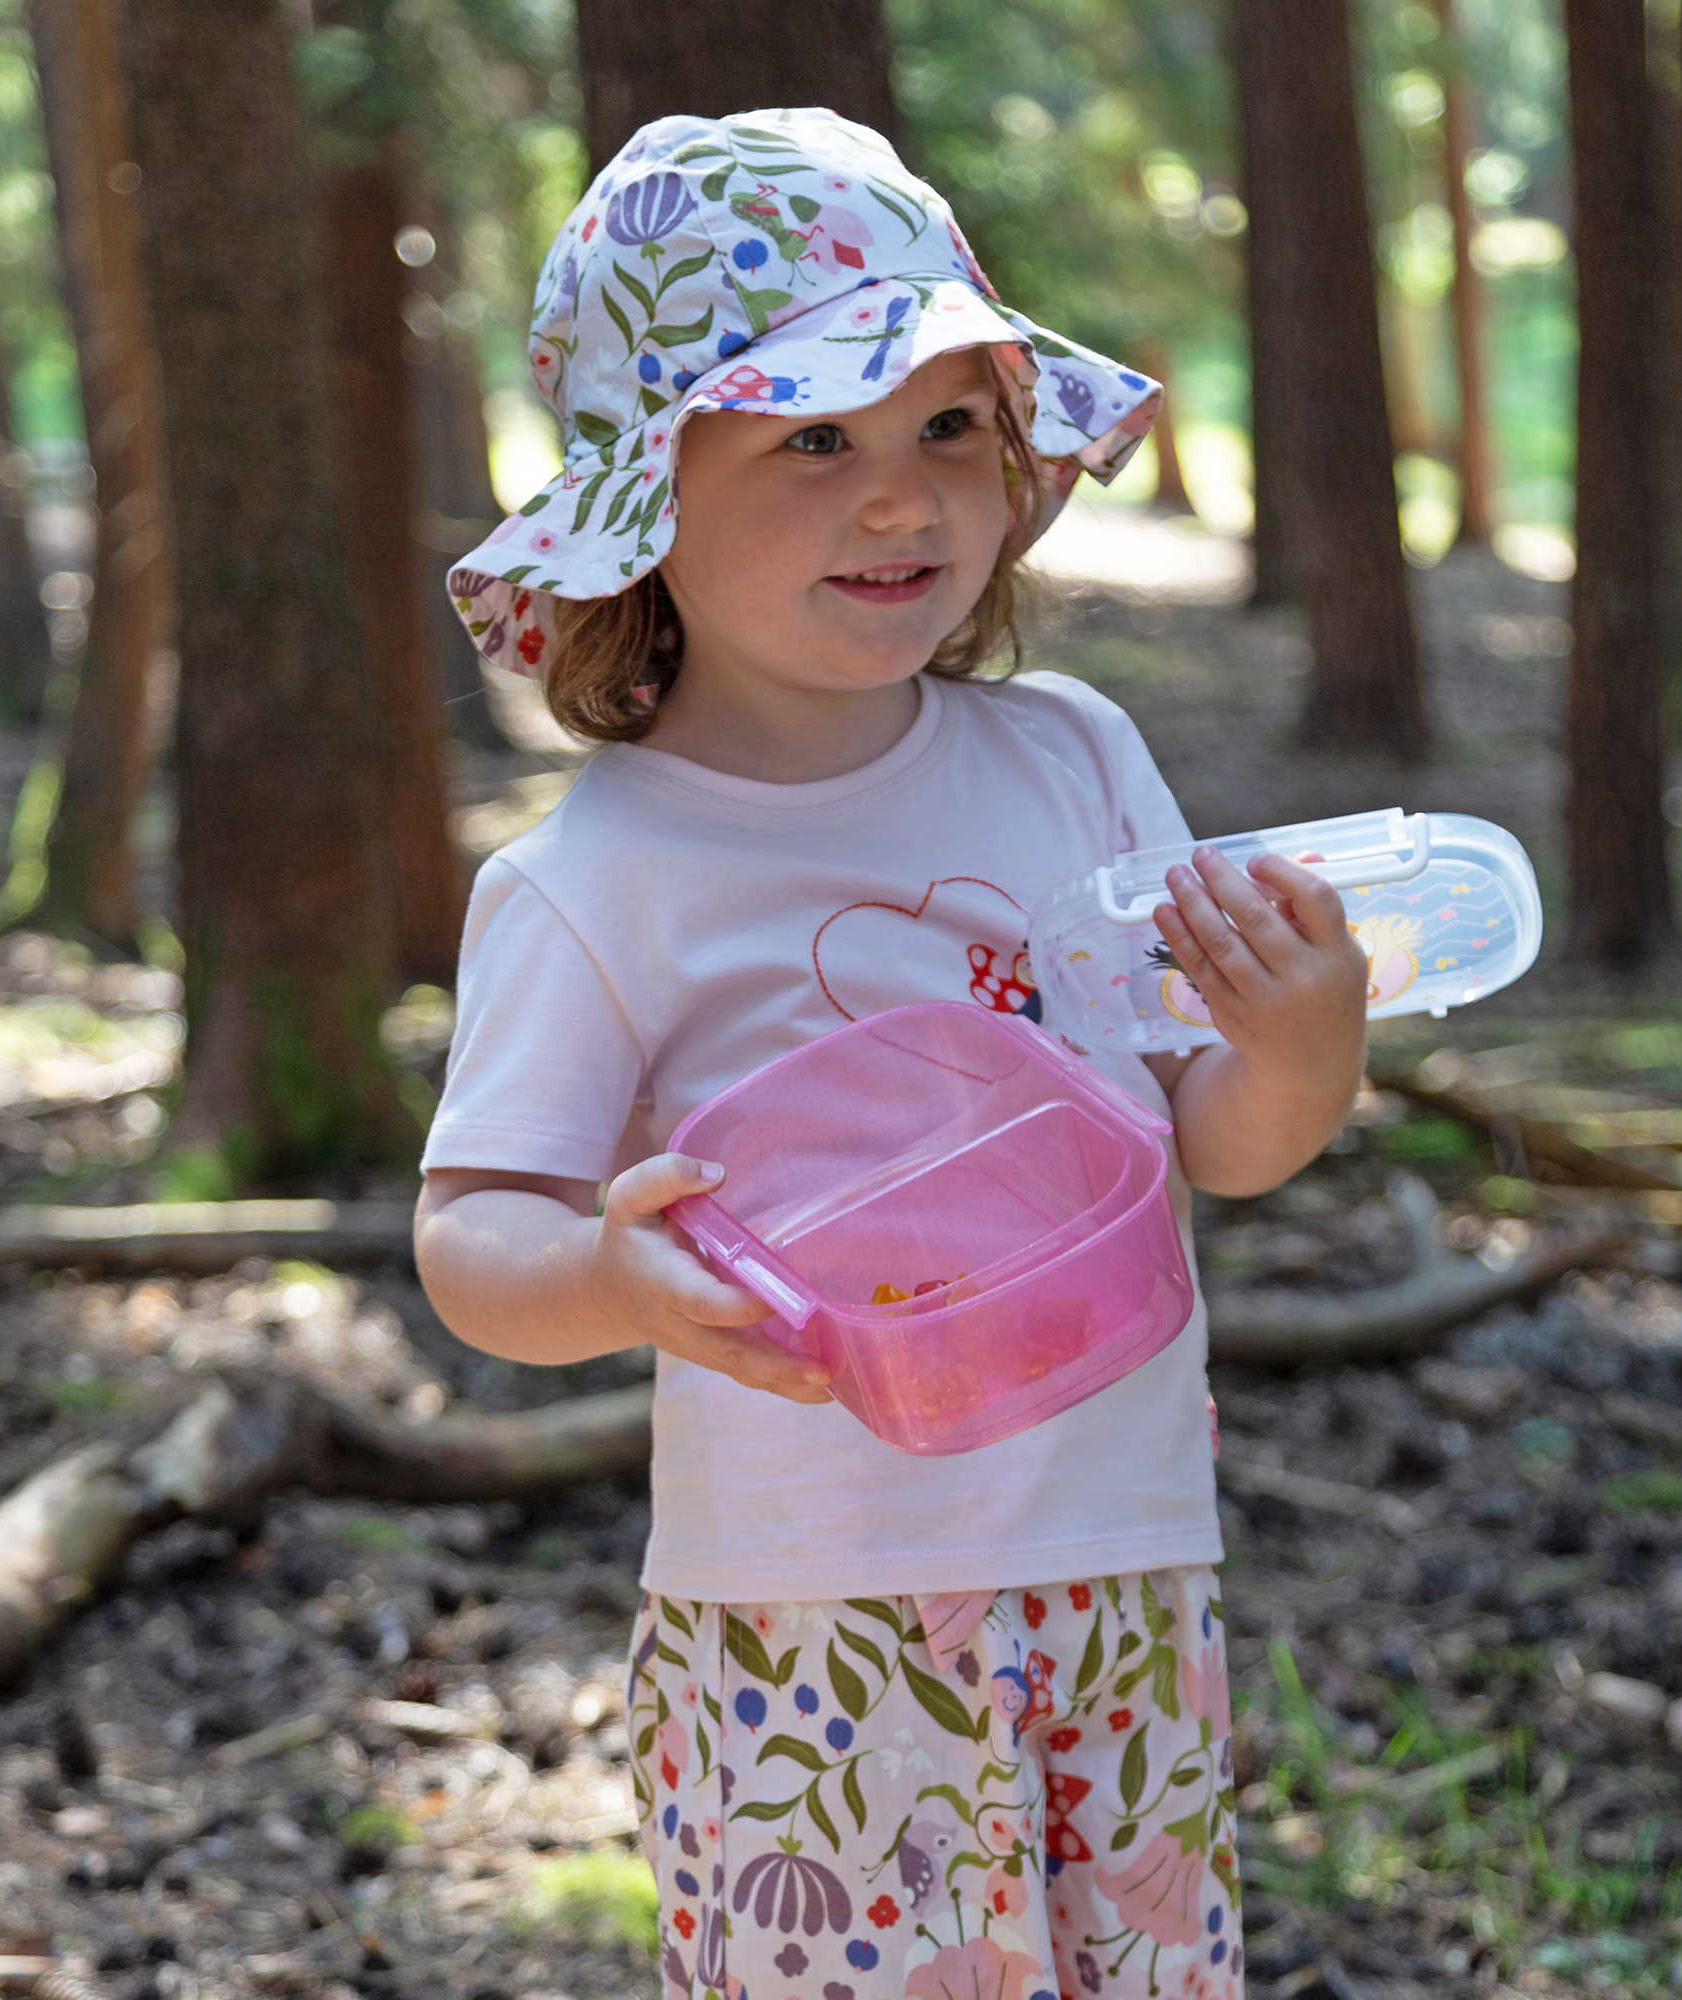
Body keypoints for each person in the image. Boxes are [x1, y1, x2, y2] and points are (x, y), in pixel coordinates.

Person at [414, 106, 1367, 2000]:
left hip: (1121, 1564)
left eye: (950, 426)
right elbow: (470, 1239)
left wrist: (1301, 1043)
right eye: (813, 441)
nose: (902, 498)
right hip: (807, 1616)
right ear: (647, 502)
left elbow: (1217, 1138)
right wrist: (607, 1271)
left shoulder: (1072, 756)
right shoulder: (601, 877)